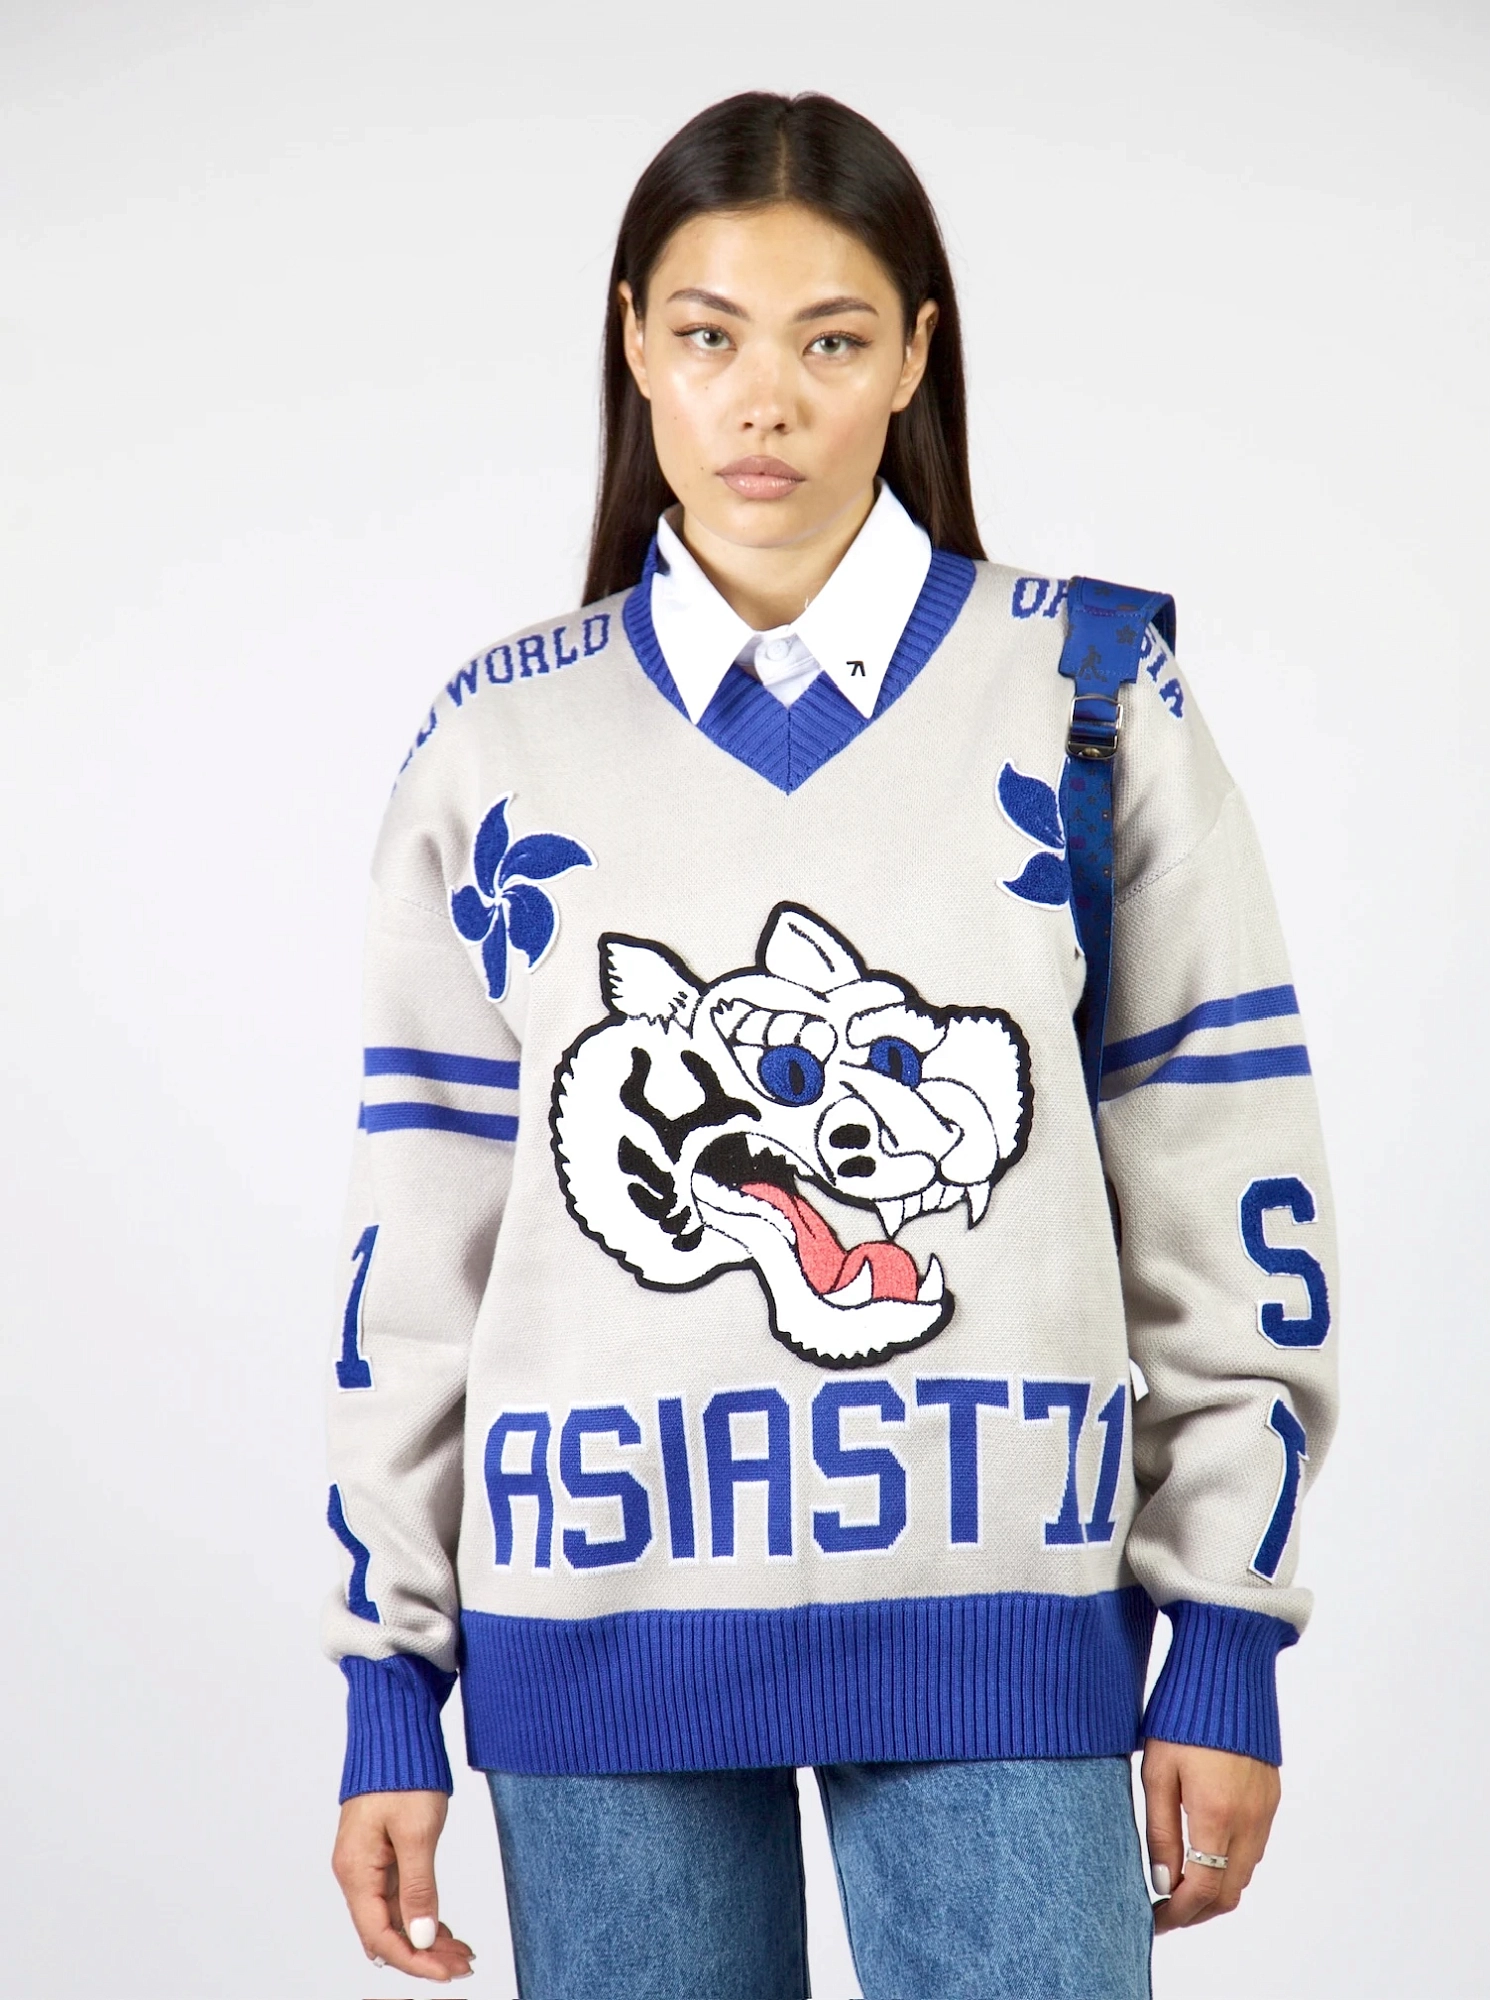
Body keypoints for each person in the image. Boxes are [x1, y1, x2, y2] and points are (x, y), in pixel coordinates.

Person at [324, 91, 1337, 2000]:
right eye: (710, 336)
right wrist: (392, 1677)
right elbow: (422, 1244)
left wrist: (1225, 1634)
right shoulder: (497, 745)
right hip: (594, 1646)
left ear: (916, 356)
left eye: (832, 339)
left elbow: (1228, 1178)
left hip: (1004, 1623)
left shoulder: (1088, 696)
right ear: (636, 344)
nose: (764, 402)